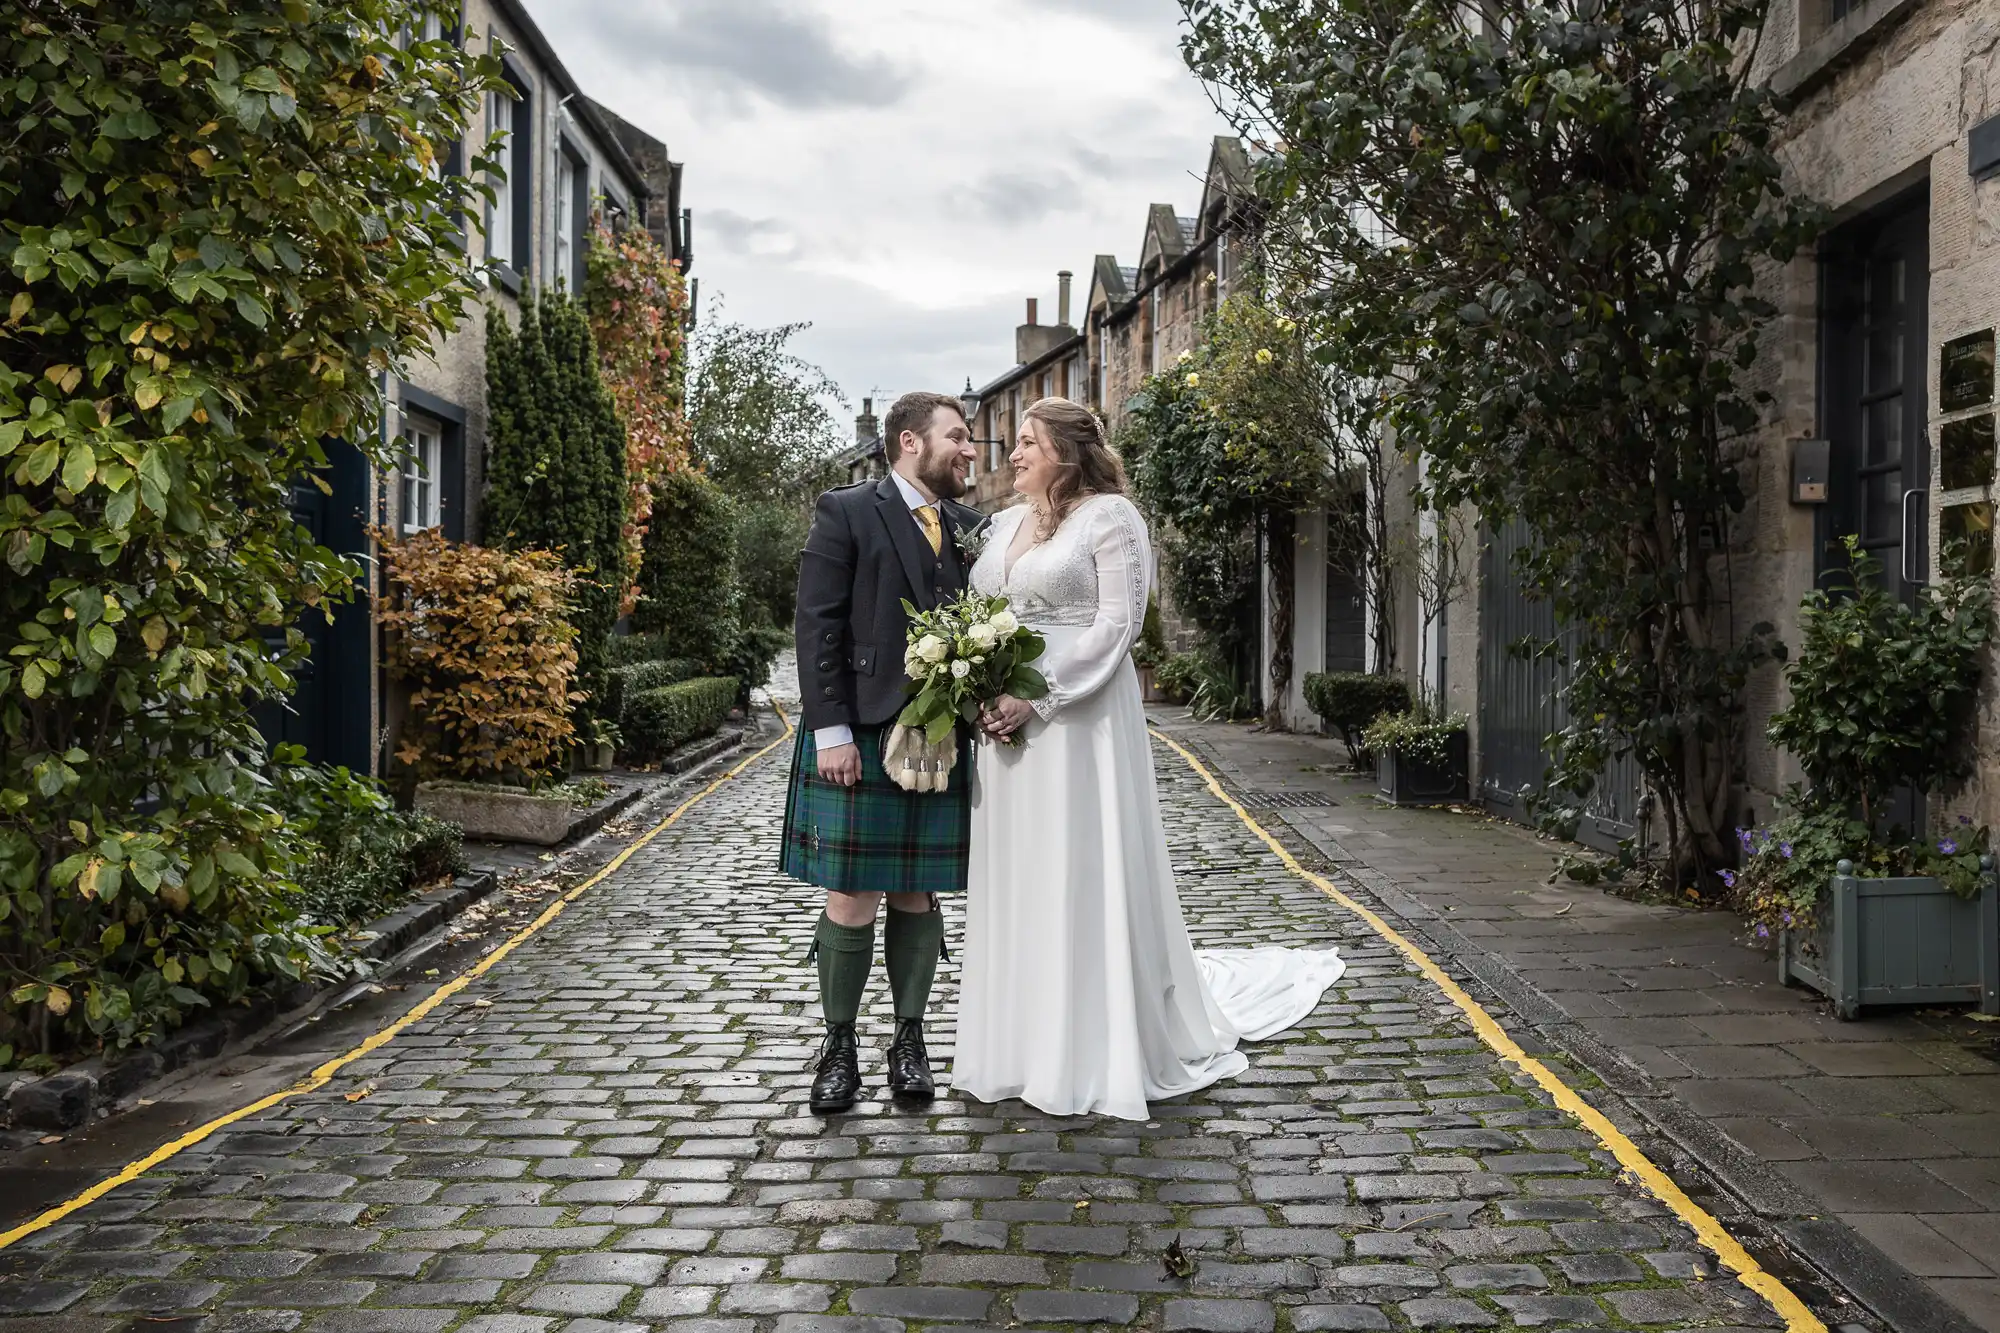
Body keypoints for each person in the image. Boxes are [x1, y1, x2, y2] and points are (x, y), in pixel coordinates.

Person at [952, 396, 1345, 1120]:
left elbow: (1117, 623)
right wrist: (980, 686)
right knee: (1023, 873)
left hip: (1080, 718)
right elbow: (981, 617)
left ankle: (1097, 1041)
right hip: (1005, 732)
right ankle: (1018, 1042)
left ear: (1067, 452)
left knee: (1079, 867)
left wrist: (1039, 698)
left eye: (1028, 443)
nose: (1013, 456)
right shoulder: (1004, 523)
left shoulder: (1112, 518)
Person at [781, 391, 982, 1114]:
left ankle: (909, 1038)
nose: (969, 449)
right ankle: (838, 1046)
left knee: (916, 890)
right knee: (852, 891)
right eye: (957, 437)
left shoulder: (967, 525)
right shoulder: (848, 511)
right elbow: (817, 624)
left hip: (939, 733)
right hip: (862, 731)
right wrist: (830, 730)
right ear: (908, 441)